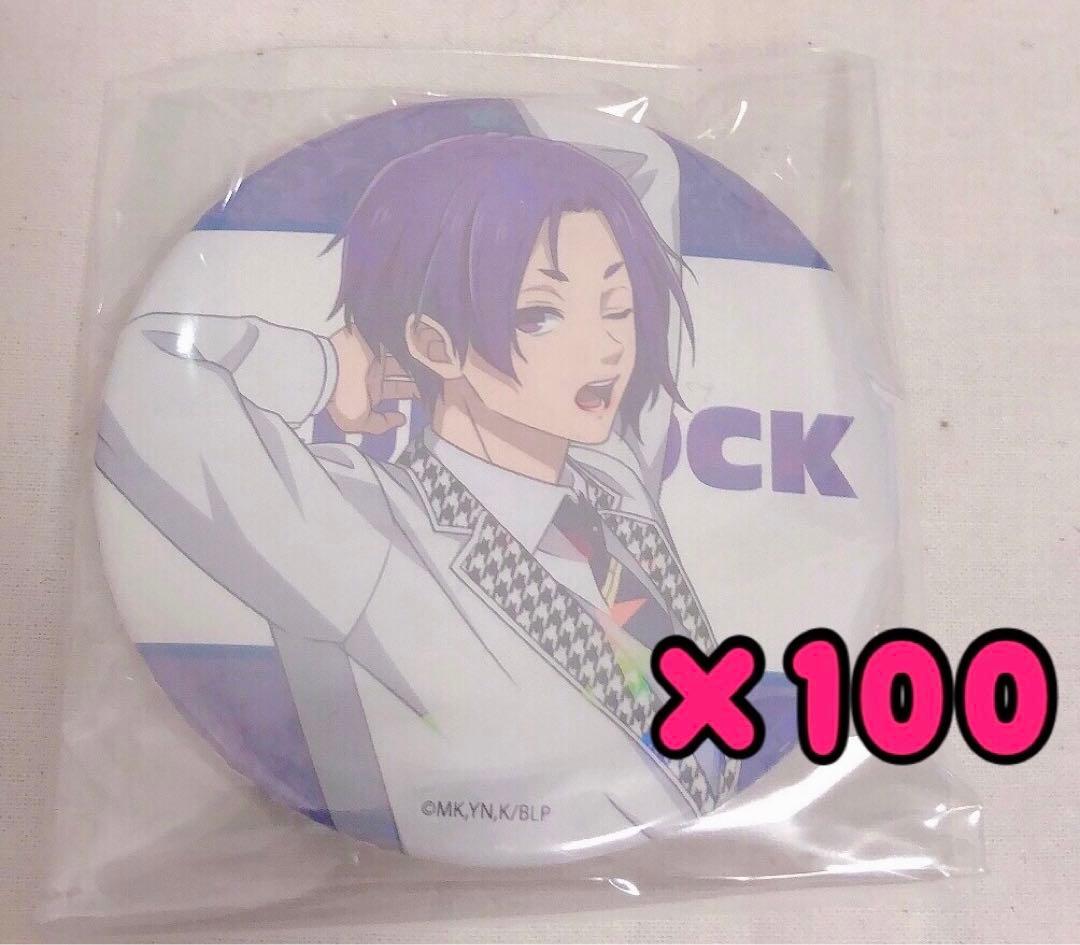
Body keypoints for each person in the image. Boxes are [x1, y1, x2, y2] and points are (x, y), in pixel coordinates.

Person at [96, 132, 738, 865]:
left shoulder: (610, 477)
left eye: (616, 308)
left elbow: (644, 165)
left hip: (693, 852)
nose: (608, 350)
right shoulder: (365, 529)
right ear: (435, 345)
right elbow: (142, 382)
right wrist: (325, 365)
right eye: (541, 314)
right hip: (481, 884)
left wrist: (511, 161)